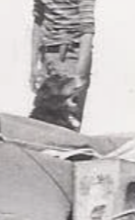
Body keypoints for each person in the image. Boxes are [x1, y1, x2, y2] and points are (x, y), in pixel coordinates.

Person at [31, 1, 95, 130]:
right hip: (47, 56)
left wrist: (79, 75)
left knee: (66, 122)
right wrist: (33, 66)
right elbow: (38, 21)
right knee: (43, 121)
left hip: (70, 56)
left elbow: (87, 30)